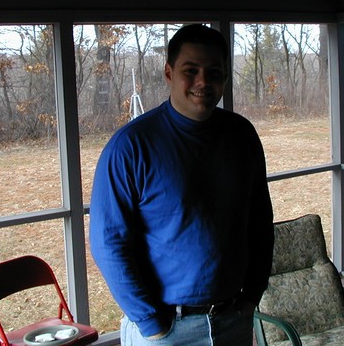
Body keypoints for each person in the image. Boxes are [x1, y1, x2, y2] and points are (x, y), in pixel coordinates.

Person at [90, 24, 274, 345]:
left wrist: (252, 295)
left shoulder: (242, 135)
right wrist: (151, 324)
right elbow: (109, 242)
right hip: (167, 330)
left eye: (214, 72)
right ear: (169, 73)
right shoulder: (131, 147)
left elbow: (260, 221)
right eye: (191, 70)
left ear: (225, 76)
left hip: (233, 320)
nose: (203, 81)